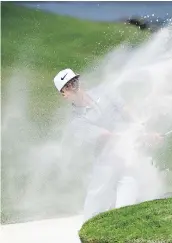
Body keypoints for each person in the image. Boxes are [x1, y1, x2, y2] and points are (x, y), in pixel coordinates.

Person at [53, 68, 164, 222]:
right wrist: (142, 137)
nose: (73, 85)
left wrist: (143, 129)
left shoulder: (104, 91)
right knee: (94, 205)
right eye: (68, 85)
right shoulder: (76, 122)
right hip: (105, 164)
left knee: (127, 203)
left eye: (74, 81)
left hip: (126, 159)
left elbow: (126, 110)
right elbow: (106, 137)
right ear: (64, 94)